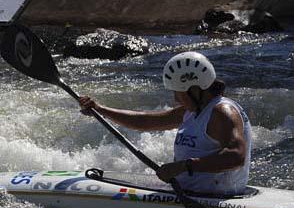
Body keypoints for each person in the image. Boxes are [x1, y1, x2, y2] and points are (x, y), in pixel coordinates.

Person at [79, 51, 252, 196]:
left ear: (195, 89)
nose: (175, 98)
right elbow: (145, 121)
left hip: (212, 198)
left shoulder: (221, 112)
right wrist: (100, 109)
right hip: (187, 192)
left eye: (178, 92)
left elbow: (237, 156)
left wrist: (185, 166)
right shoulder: (192, 111)